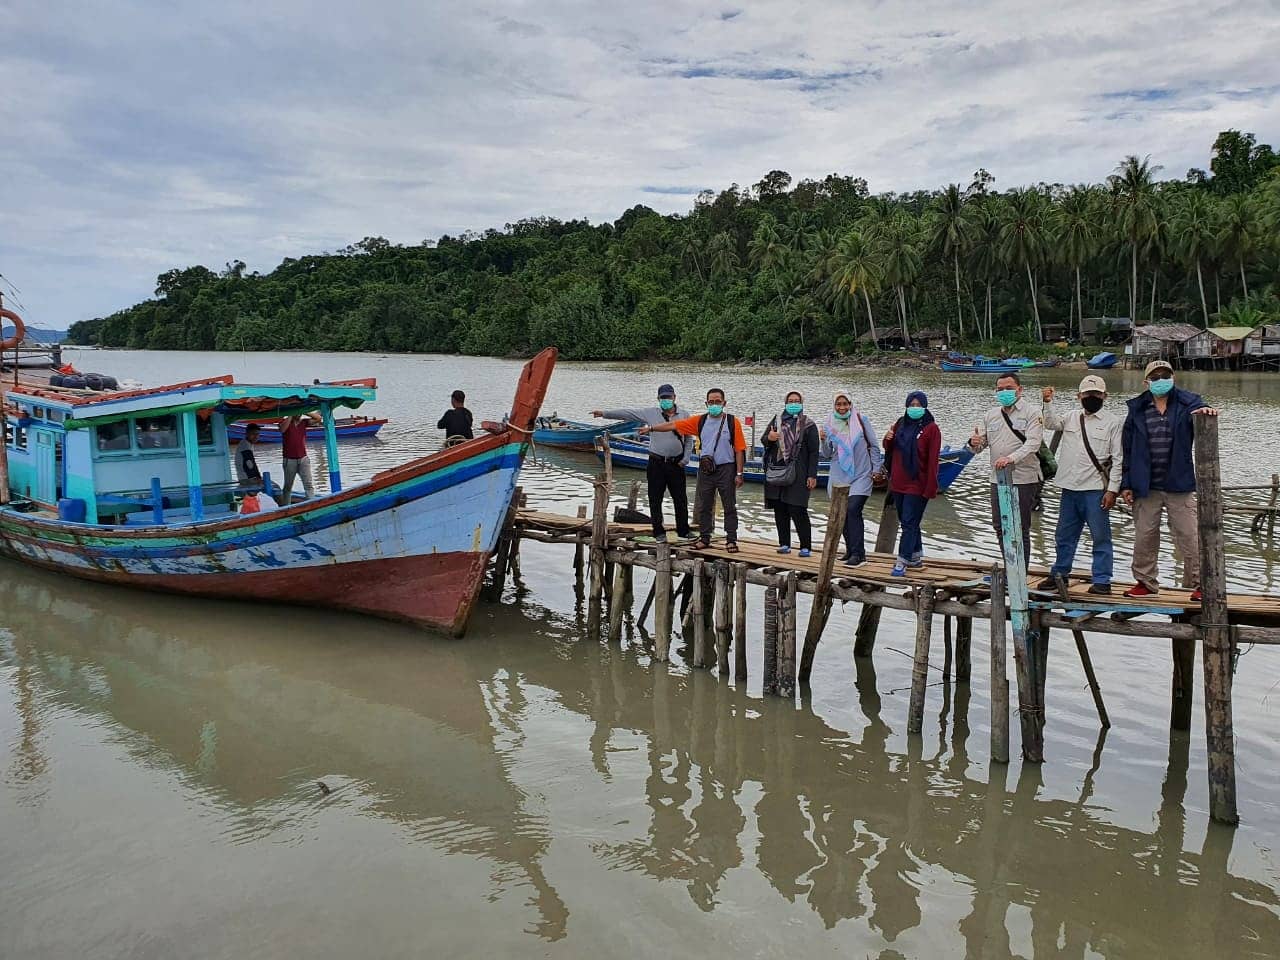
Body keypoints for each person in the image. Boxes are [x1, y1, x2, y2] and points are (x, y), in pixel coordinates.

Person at [1120, 359, 1219, 600]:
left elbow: (1201, 409)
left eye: (1165, 375)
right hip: (1146, 484)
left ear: (1173, 377)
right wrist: (1126, 483)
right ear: (1146, 382)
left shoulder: (1188, 402)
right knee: (1145, 535)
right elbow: (1128, 449)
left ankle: (1201, 583)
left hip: (1179, 483)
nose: (1160, 380)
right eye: (1155, 377)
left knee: (1189, 535)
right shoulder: (1137, 408)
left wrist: (1206, 410)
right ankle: (1145, 582)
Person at [1035, 376, 1124, 595]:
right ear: (1079, 396)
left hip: (1096, 490)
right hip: (1069, 488)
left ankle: (1102, 580)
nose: (1091, 398)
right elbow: (1049, 423)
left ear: (1105, 396)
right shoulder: (1071, 417)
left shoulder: (1114, 422)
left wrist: (1112, 490)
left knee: (1100, 537)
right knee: (1064, 536)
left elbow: (1119, 459)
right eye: (1087, 394)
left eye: (1096, 394)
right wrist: (1047, 402)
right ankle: (1060, 574)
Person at [640, 388, 746, 552]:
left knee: (729, 506)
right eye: (711, 402)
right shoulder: (700, 421)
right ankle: (705, 537)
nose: (714, 404)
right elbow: (673, 425)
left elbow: (740, 449)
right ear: (706, 403)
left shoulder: (732, 422)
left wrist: (739, 473)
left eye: (718, 401)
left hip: (726, 468)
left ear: (724, 403)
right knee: (704, 505)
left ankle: (731, 539)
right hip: (706, 468)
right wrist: (652, 429)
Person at [591, 384, 695, 542]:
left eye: (668, 397)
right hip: (656, 462)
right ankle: (658, 532)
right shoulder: (650, 413)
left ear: (674, 397)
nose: (666, 400)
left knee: (680, 498)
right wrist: (604, 413)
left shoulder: (685, 415)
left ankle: (684, 530)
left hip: (676, 463)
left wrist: (686, 458)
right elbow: (628, 413)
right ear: (658, 399)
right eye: (663, 398)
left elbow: (689, 439)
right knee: (655, 498)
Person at [969, 372, 1043, 567]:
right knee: (1000, 526)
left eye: (1009, 388)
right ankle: (1010, 566)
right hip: (997, 478)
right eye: (1000, 389)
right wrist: (973, 442)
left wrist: (1010, 459)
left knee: (1020, 527)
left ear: (1020, 389)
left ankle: (1021, 572)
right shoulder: (991, 415)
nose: (1004, 392)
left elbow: (1033, 444)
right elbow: (979, 447)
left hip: (1024, 478)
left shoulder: (1032, 412)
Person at [821, 389, 884, 567]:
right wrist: (823, 440)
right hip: (838, 475)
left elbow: (874, 446)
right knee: (841, 513)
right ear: (834, 405)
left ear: (850, 403)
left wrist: (876, 468)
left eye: (845, 403)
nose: (842, 407)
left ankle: (859, 554)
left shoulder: (861, 421)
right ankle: (850, 551)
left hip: (862, 474)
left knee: (853, 509)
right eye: (838, 404)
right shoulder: (829, 423)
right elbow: (826, 454)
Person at [882, 391, 941, 576]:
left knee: (908, 522)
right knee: (908, 521)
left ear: (924, 406)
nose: (914, 408)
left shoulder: (932, 429)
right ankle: (915, 556)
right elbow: (889, 449)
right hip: (898, 481)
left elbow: (933, 461)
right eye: (911, 404)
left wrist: (931, 487)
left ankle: (902, 560)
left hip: (918, 483)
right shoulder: (900, 424)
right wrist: (888, 438)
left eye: (918, 405)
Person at [761, 391, 820, 556]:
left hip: (799, 472)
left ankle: (805, 546)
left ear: (802, 403)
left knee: (797, 508)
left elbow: (814, 452)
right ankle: (784, 544)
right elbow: (764, 440)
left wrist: (812, 475)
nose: (793, 403)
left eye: (797, 401)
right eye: (790, 400)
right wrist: (770, 437)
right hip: (777, 470)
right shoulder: (777, 421)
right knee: (780, 509)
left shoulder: (808, 425)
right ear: (785, 402)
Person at [279, 414, 316, 503]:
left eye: (300, 413)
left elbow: (318, 418)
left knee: (308, 484)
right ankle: (286, 507)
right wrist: (290, 415)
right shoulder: (286, 422)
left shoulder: (304, 422)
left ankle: (311, 505)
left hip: (303, 459)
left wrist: (305, 412)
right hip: (289, 460)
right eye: (297, 412)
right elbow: (282, 429)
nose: (299, 414)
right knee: (288, 486)